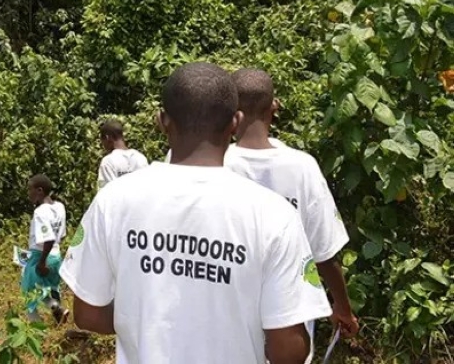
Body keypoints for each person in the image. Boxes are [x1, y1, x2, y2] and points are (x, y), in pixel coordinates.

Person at [61, 62, 331, 364]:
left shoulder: (113, 200)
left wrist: (147, 319)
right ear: (235, 123)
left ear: (162, 121)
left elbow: (87, 312)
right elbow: (290, 350)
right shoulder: (274, 216)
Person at [226, 68, 359, 350]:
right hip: (288, 323)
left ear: (230, 112)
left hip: (226, 322)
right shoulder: (302, 167)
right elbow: (323, 252)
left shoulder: (214, 163)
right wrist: (343, 308)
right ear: (274, 106)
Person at [22, 174, 68, 324]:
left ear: (39, 191)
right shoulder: (59, 207)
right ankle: (58, 313)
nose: (28, 193)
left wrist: (41, 262)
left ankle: (35, 328)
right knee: (51, 288)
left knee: (30, 291)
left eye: (30, 189)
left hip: (40, 256)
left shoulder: (40, 212)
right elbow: (61, 236)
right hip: (56, 255)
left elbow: (48, 238)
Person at [98, 120, 149, 189]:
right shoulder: (141, 158)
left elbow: (105, 193)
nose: (103, 145)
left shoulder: (108, 162)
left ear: (107, 138)